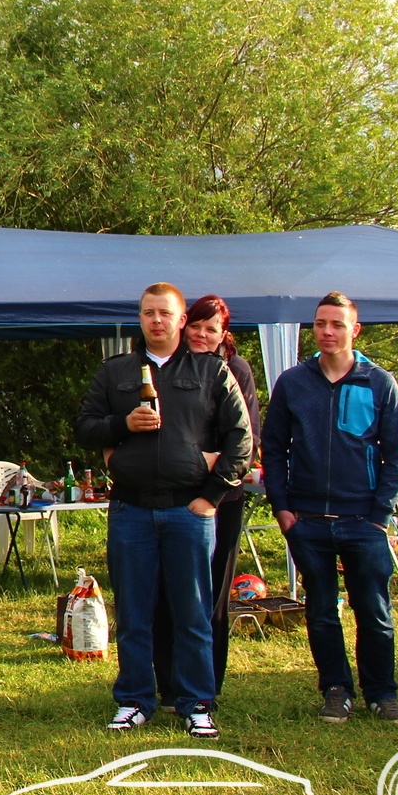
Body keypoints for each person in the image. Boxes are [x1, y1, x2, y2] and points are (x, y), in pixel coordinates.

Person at [76, 282, 251, 739]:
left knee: (193, 613)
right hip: (131, 509)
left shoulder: (211, 371)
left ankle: (196, 704)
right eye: (148, 313)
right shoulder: (115, 372)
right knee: (134, 614)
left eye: (165, 313)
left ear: (181, 320)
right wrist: (123, 423)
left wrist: (211, 496)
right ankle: (134, 700)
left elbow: (242, 439)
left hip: (187, 511)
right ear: (140, 318)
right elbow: (85, 428)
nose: (156, 320)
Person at [263, 291, 398, 723]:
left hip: (363, 519)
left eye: (337, 324)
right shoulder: (293, 382)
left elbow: (395, 457)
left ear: (354, 330)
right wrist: (282, 507)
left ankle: (381, 693)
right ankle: (336, 689)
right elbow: (274, 449)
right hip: (307, 519)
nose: (327, 332)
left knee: (374, 612)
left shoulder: (378, 382)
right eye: (320, 323)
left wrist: (380, 516)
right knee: (321, 612)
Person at [152, 294, 261, 708]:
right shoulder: (167, 366)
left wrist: (209, 484)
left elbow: (246, 440)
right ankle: (168, 685)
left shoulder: (236, 370)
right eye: (195, 326)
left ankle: (206, 685)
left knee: (210, 595)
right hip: (170, 497)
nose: (200, 334)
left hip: (221, 499)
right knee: (166, 593)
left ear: (223, 334)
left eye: (210, 328)